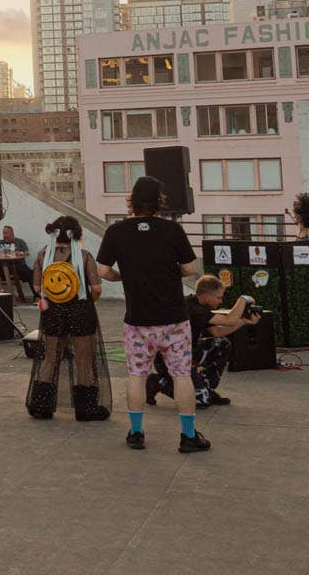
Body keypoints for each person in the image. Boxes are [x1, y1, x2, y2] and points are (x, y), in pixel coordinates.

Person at [95, 177, 208, 453]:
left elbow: (102, 271)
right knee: (181, 375)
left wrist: (123, 275)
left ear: (131, 201)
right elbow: (190, 268)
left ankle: (136, 433)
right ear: (160, 201)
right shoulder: (173, 230)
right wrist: (168, 271)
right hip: (174, 320)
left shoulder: (116, 231)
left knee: (137, 375)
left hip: (138, 321)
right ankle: (188, 436)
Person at [29, 215, 110, 422]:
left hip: (53, 312)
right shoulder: (84, 256)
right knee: (84, 360)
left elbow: (37, 287)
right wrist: (87, 301)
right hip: (80, 311)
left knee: (50, 358)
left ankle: (41, 405)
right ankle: (85, 408)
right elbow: (96, 289)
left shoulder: (43, 256)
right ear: (77, 234)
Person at [151, 275, 259, 409]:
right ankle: (158, 382)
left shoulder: (200, 305)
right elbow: (229, 320)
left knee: (222, 344)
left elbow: (217, 332)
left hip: (187, 354)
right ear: (207, 296)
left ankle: (206, 388)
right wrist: (243, 299)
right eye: (218, 297)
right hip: (169, 359)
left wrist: (243, 322)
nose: (221, 301)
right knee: (201, 402)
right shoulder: (193, 308)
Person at [0, 225, 35, 302]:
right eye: (3, 233)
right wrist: (1, 253)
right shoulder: (0, 242)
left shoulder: (20, 241)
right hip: (4, 266)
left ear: (12, 233)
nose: (4, 235)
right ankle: (1, 291)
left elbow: (27, 252)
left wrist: (21, 253)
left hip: (18, 266)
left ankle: (37, 296)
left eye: (6, 233)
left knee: (31, 273)